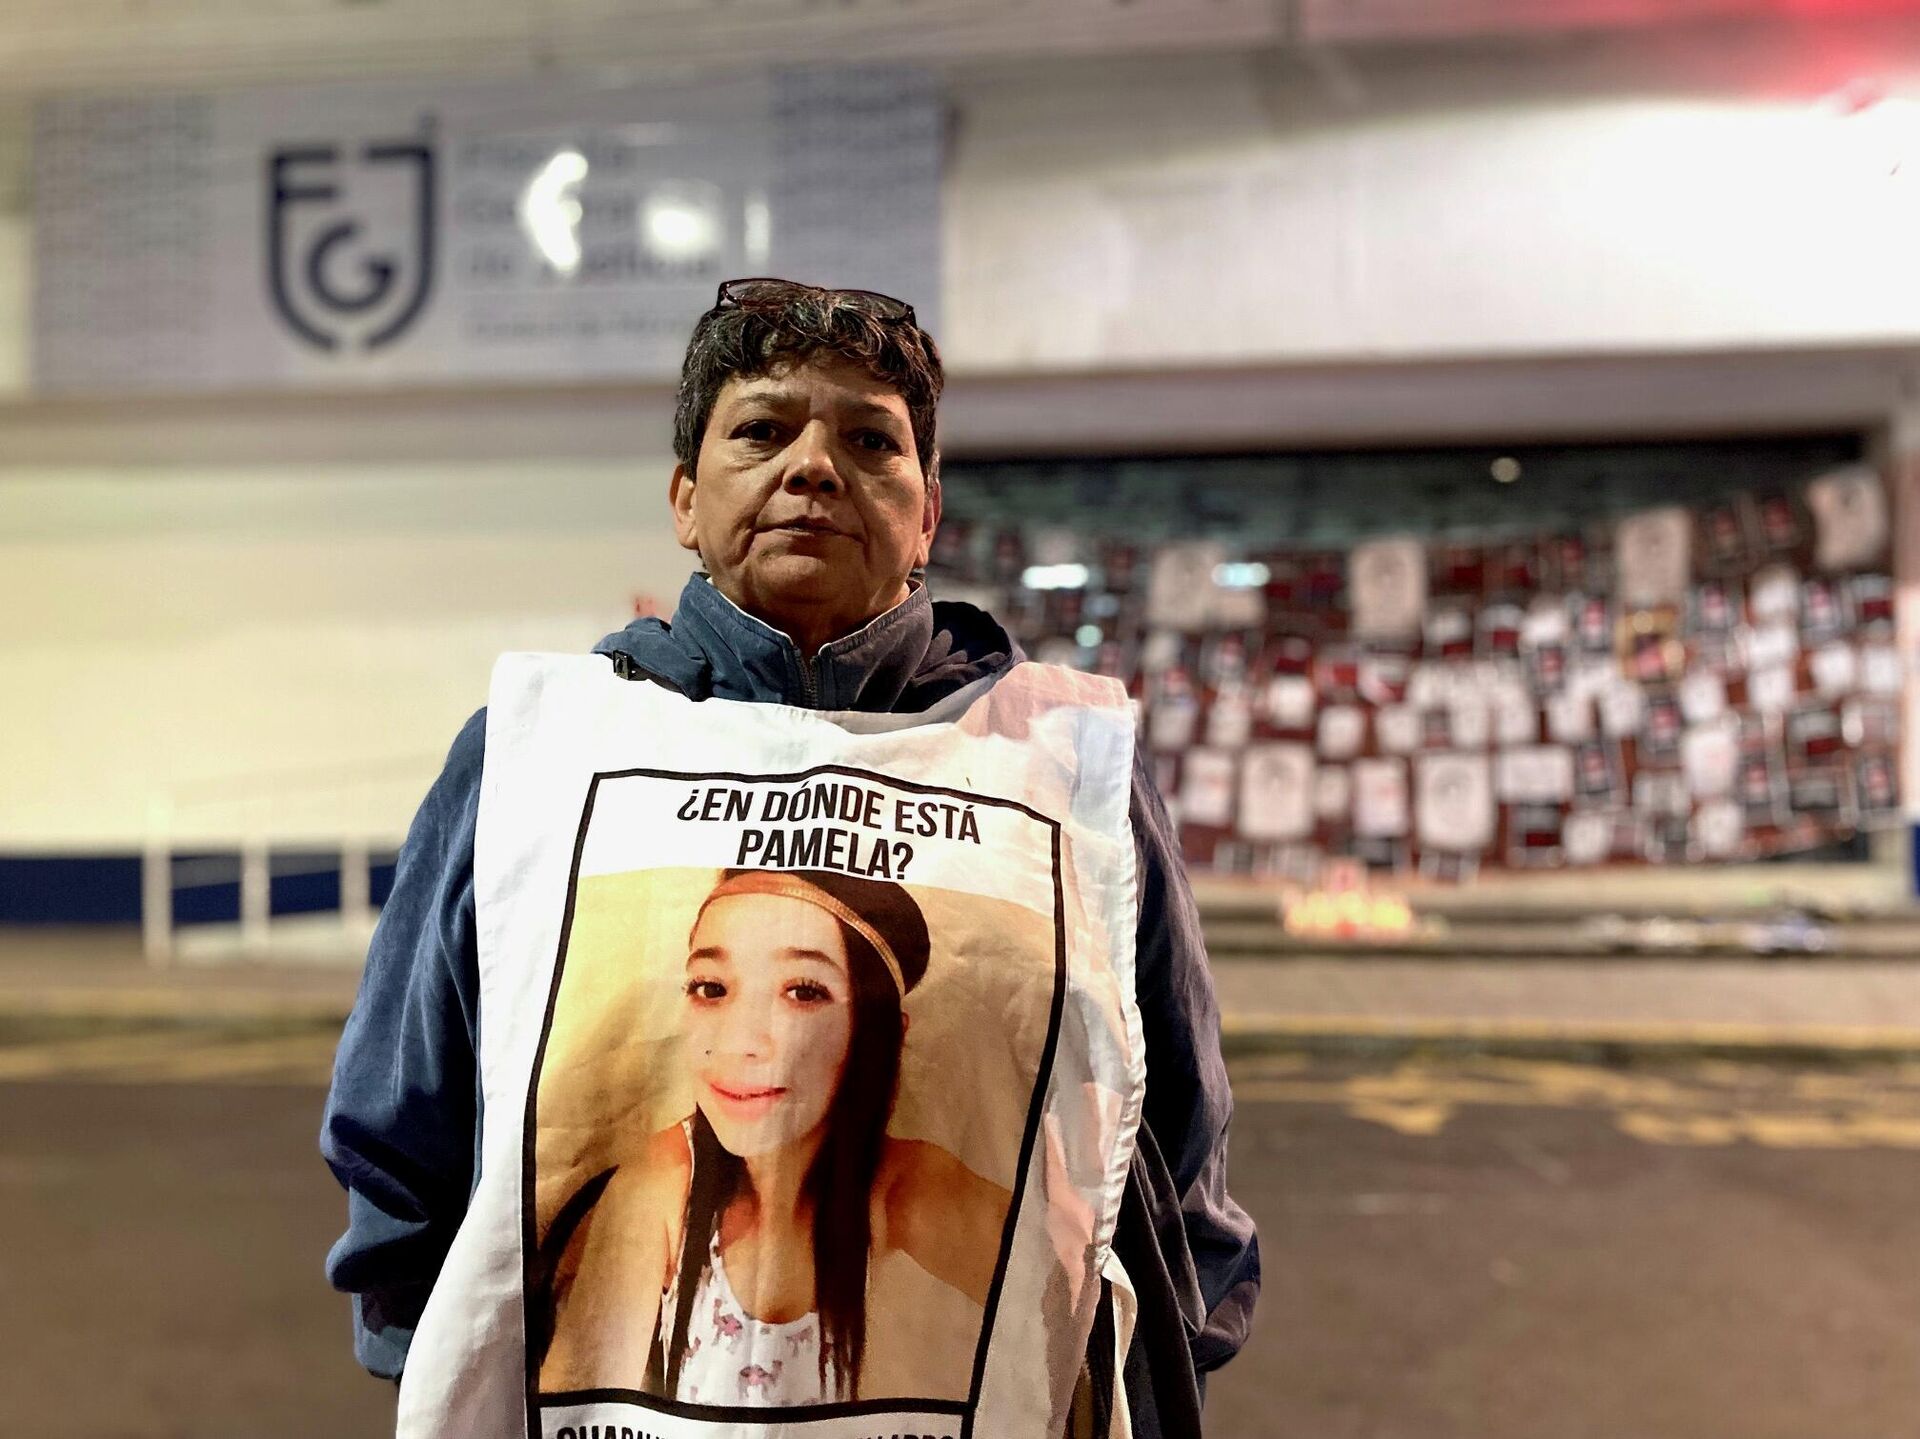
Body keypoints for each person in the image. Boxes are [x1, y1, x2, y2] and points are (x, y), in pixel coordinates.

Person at [322, 277, 1259, 1433]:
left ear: (926, 514)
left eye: (870, 440)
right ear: (684, 496)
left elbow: (1173, 1143)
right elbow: (399, 1129)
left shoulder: (1065, 766)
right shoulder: (538, 754)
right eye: (763, 430)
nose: (814, 467)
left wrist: (1168, 1368)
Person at [535, 868, 1011, 1405]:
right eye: (711, 988)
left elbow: (1071, 1319)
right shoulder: (665, 1183)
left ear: (880, 1033)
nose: (740, 1042)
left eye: (803, 992)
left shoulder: (906, 1188)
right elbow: (581, 1407)